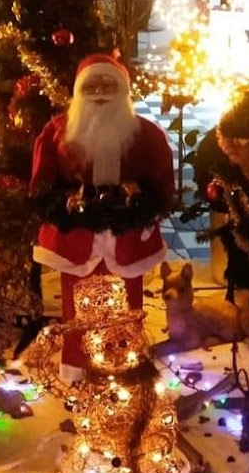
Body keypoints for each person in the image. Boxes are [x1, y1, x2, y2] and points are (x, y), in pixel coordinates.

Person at [30, 53, 175, 382]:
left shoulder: (148, 134)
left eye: (107, 84)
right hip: (77, 235)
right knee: (76, 306)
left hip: (127, 237)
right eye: (91, 84)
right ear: (79, 90)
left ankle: (127, 367)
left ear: (123, 89)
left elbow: (163, 184)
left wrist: (143, 207)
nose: (99, 91)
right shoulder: (56, 131)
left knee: (128, 304)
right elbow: (41, 186)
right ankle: (77, 369)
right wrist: (63, 208)